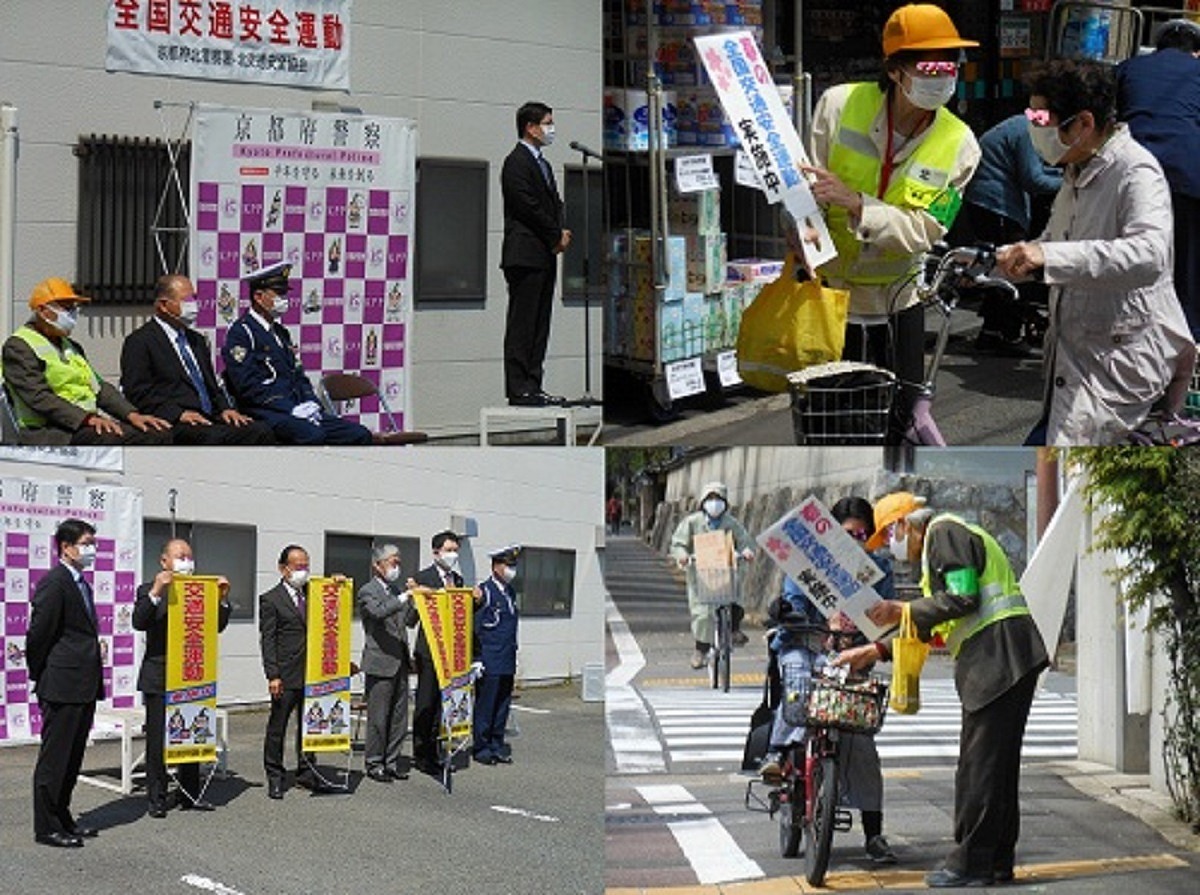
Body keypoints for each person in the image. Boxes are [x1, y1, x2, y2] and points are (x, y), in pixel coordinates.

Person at [835, 491, 1049, 888]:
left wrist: (902, 610)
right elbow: (931, 621)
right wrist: (875, 649)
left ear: (904, 524)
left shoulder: (943, 533)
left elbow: (963, 598)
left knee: (979, 767)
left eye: (888, 537)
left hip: (997, 656)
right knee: (996, 768)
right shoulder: (940, 547)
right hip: (1007, 655)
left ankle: (969, 862)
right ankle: (996, 861)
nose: (893, 549)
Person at [995, 60, 1195, 445]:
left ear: (1083, 123)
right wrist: (1007, 259)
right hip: (1077, 364)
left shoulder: (1135, 171)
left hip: (1118, 371)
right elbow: (1056, 241)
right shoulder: (1075, 171)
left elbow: (1148, 254)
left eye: (1041, 117)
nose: (1034, 128)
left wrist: (1049, 257)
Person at [804, 4, 981, 433]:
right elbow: (805, 189)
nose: (942, 75)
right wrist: (797, 229)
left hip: (899, 303)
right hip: (832, 302)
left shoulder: (960, 143)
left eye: (951, 64)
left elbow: (925, 230)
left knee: (897, 425)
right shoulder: (837, 104)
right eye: (929, 64)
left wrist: (858, 204)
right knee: (830, 425)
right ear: (895, 68)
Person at [759, 496, 896, 865]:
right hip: (807, 644)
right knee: (798, 681)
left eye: (862, 534)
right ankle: (778, 755)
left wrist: (872, 640)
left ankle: (874, 833)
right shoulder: (807, 563)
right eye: (847, 533)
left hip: (850, 657)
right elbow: (793, 602)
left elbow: (889, 624)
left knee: (861, 743)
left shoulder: (879, 571)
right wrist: (790, 613)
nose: (855, 541)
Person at [2, 278, 173, 445]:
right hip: (49, 430)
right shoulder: (18, 347)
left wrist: (132, 415)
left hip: (84, 425)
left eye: (73, 308)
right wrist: (87, 419)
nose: (72, 314)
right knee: (116, 439)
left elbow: (99, 387)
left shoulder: (72, 346)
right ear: (42, 310)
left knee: (157, 433)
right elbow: (38, 397)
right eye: (65, 308)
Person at [133, 538, 233, 818]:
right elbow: (139, 621)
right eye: (179, 557)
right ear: (164, 561)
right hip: (160, 676)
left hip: (192, 676)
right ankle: (157, 797)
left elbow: (217, 627)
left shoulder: (200, 591)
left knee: (192, 734)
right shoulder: (149, 589)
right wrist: (156, 590)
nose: (186, 561)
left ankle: (190, 793)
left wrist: (222, 598)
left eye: (189, 556)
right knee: (157, 740)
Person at [221, 261, 373, 445]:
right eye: (278, 294)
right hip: (267, 411)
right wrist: (288, 408)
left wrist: (311, 404)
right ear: (259, 297)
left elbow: (298, 375)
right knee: (311, 435)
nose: (284, 299)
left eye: (285, 293)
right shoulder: (242, 333)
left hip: (299, 408)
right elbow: (247, 386)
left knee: (358, 434)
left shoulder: (280, 332)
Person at [949, 113, 1062, 355]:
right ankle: (1004, 333)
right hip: (997, 203)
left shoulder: (1016, 126)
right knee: (1014, 265)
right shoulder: (1027, 131)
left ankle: (993, 329)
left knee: (997, 263)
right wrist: (1069, 181)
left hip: (986, 201)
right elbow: (1034, 179)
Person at [1117, 18, 1200, 340]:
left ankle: (1133, 333)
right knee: (1189, 260)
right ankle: (1187, 339)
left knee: (1131, 251)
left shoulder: (1129, 67)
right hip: (1188, 172)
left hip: (1133, 169)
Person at [120, 274, 275, 445]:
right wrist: (178, 414)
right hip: (177, 420)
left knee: (259, 431)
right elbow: (138, 392)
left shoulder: (197, 341)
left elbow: (212, 386)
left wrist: (225, 409)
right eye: (186, 300)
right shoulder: (141, 342)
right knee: (211, 438)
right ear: (164, 305)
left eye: (194, 298)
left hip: (209, 416)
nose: (193, 306)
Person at [25, 519, 105, 847]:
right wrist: (43, 673)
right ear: (66, 547)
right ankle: (46, 827)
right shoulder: (54, 583)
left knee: (72, 759)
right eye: (86, 544)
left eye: (93, 544)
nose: (92, 550)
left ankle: (63, 817)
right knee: (55, 759)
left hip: (83, 684)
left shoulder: (80, 583)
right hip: (61, 683)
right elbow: (38, 636)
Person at [501, 101, 571, 407]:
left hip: (544, 252)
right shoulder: (516, 162)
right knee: (523, 322)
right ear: (530, 127)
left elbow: (554, 202)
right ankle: (518, 387)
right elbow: (526, 205)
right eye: (547, 123)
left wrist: (561, 232)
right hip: (525, 252)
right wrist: (554, 233)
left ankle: (534, 383)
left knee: (540, 322)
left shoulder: (542, 163)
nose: (550, 129)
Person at [259, 544, 337, 799]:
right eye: (298, 566)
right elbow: (268, 640)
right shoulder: (271, 599)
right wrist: (273, 675)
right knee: (278, 727)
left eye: (306, 565)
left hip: (312, 673)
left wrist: (337, 585)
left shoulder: (315, 594)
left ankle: (307, 772)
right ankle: (275, 776)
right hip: (286, 673)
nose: (303, 571)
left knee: (310, 725)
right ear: (284, 569)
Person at [669, 481, 755, 670]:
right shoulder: (692, 522)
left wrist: (747, 551)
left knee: (734, 600)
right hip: (701, 575)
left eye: (718, 499)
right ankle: (700, 649)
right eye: (710, 498)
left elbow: (745, 541)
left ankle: (734, 630)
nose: (714, 503)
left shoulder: (731, 523)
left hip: (726, 573)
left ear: (725, 502)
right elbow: (678, 543)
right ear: (703, 501)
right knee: (703, 614)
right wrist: (682, 555)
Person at [356, 543, 422, 783]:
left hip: (400, 661)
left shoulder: (396, 590)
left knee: (399, 717)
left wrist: (417, 602)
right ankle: (374, 763)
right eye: (392, 562)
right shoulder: (367, 591)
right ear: (377, 565)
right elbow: (378, 612)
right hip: (379, 662)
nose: (397, 566)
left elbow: (409, 621)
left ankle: (392, 761)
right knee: (379, 717)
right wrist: (405, 597)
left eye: (398, 562)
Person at [408, 530, 465, 774]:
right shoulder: (423, 577)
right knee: (426, 703)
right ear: (436, 552)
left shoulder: (458, 580)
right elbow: (411, 619)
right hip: (429, 651)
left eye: (455, 551)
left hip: (452, 652)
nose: (452, 555)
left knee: (445, 705)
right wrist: (415, 595)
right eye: (448, 550)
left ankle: (438, 749)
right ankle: (422, 754)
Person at [473, 545, 521, 765]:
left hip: (507, 657)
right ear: (495, 567)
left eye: (514, 565)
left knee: (503, 704)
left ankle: (496, 743)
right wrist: (476, 659)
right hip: (489, 659)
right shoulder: (484, 592)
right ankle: (482, 747)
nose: (512, 570)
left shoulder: (510, 592)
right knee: (486, 705)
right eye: (508, 565)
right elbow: (476, 627)